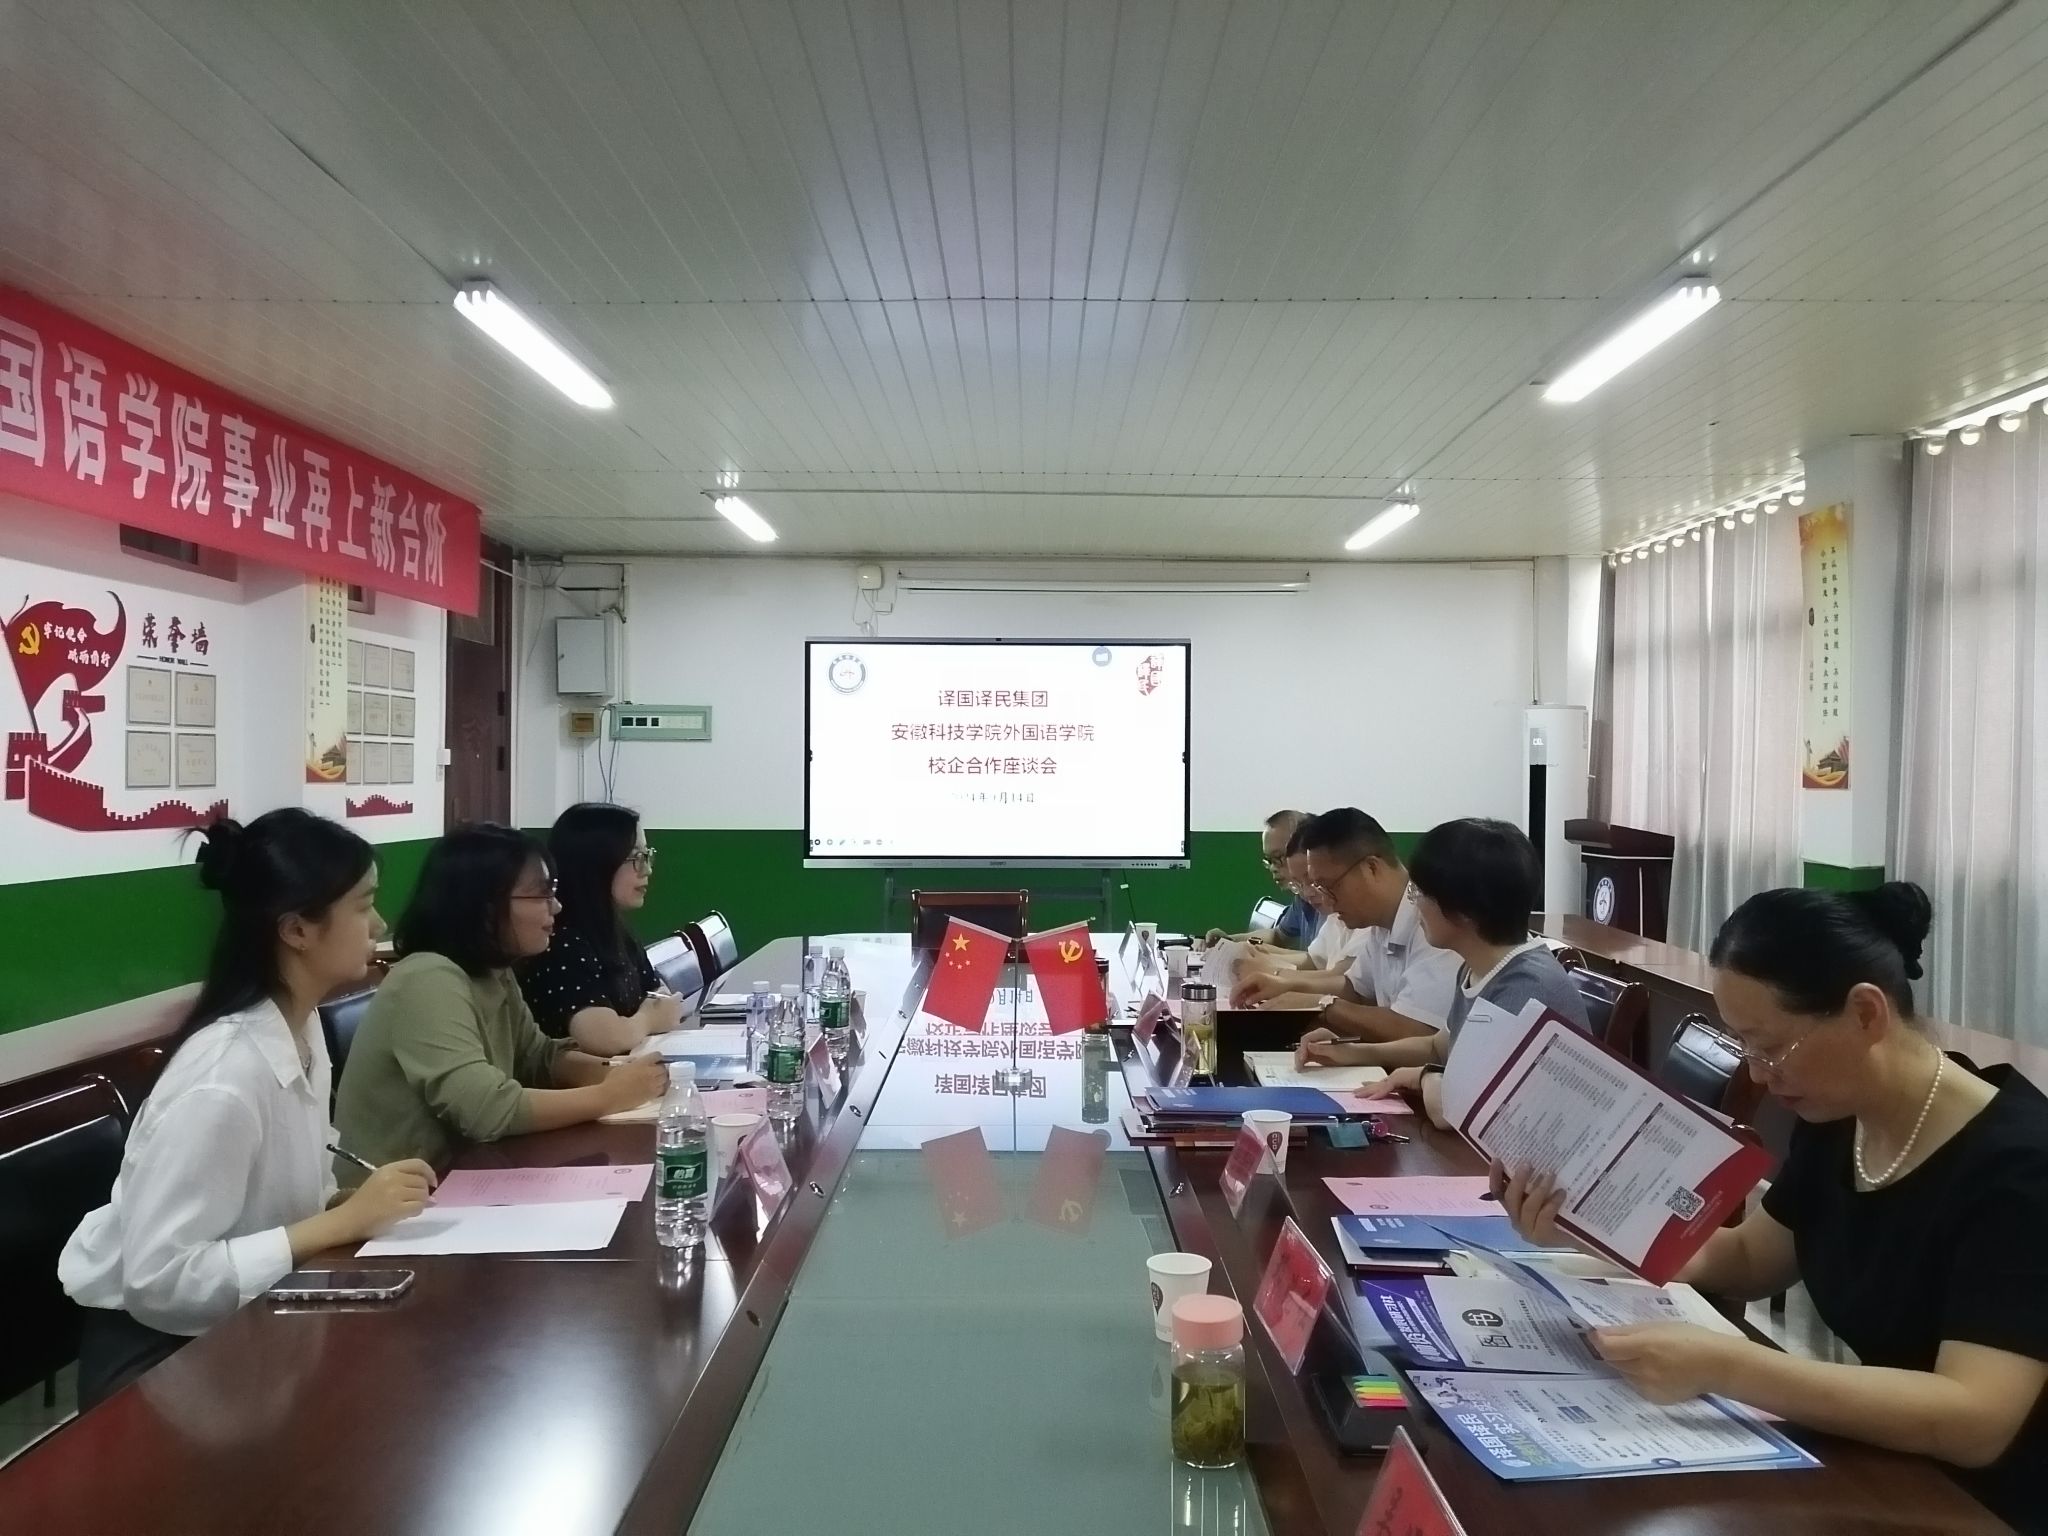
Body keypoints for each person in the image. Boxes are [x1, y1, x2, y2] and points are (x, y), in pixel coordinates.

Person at [1498, 883, 2048, 1534]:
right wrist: (1585, 1224)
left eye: (1770, 1046)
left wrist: (1726, 1365)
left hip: (1990, 1503)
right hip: (1887, 1464)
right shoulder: (1842, 1115)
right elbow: (1750, 1257)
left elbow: (1977, 1419)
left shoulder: (2022, 1168)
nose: (1758, 1075)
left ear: (1865, 1013)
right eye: (1745, 1048)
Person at [60, 811, 437, 1409]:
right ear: (297, 930)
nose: (380, 924)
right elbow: (162, 1282)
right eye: (364, 906)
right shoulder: (222, 1078)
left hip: (252, 1329)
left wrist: (354, 1205)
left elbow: (279, 1202)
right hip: (161, 1365)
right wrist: (340, 1223)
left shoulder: (300, 1027)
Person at [333, 824, 668, 1181]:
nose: (556, 906)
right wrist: (608, 1096)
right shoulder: (428, 978)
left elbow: (537, 1057)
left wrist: (614, 1072)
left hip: (462, 1179)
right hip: (390, 1200)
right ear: (486, 906)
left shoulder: (494, 972)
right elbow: (485, 1110)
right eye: (541, 894)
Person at [1319, 818, 1590, 1126]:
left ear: (1463, 910)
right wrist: (1354, 1052)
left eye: (1419, 893)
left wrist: (1424, 1077)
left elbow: (1455, 1111)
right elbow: (1438, 1046)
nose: (1414, 905)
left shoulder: (1525, 987)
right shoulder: (1478, 968)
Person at [1240, 807, 1456, 1043]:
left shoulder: (1434, 921)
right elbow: (1355, 989)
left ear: (1371, 868)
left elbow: (1418, 1030)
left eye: (1329, 886)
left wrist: (1323, 1005)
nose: (1325, 900)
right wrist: (1284, 984)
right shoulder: (1380, 922)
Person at [517, 802, 682, 1056]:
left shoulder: (617, 932)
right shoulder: (561, 942)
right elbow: (606, 1038)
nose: (647, 870)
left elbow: (660, 998)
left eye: (647, 855)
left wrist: (644, 1018)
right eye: (636, 858)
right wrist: (648, 1020)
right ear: (596, 864)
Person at [1230, 821, 1367, 1001]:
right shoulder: (1336, 915)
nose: (1308, 893)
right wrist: (1262, 954)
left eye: (1315, 882)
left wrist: (1275, 972)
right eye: (1298, 884)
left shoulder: (1365, 919)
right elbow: (1314, 960)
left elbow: (1342, 980)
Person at [1203, 809, 1320, 949]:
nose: (1273, 868)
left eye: (1278, 857)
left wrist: (1258, 956)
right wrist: (1229, 941)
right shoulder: (1302, 898)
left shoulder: (1329, 903)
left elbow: (1316, 960)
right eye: (1269, 860)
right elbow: (1278, 936)